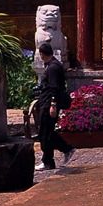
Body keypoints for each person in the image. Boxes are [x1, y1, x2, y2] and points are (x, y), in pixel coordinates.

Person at [35, 41, 75, 171]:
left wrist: (53, 104)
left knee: (45, 133)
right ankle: (60, 153)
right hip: (46, 102)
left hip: (49, 104)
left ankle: (49, 160)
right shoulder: (53, 65)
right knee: (46, 133)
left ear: (41, 54)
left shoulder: (53, 67)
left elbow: (54, 88)